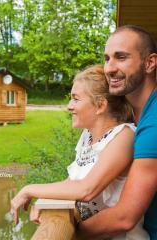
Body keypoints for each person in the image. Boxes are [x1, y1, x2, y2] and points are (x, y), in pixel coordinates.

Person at [10, 65, 149, 239]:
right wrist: (46, 200)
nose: (69, 106)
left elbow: (87, 189)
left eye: (76, 99)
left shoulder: (123, 136)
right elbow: (72, 182)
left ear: (100, 105)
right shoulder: (87, 136)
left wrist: (29, 190)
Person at [75, 25, 157, 240]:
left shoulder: (154, 123)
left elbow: (124, 217)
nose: (109, 68)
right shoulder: (129, 116)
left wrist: (68, 233)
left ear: (149, 63)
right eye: (107, 58)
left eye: (121, 57)